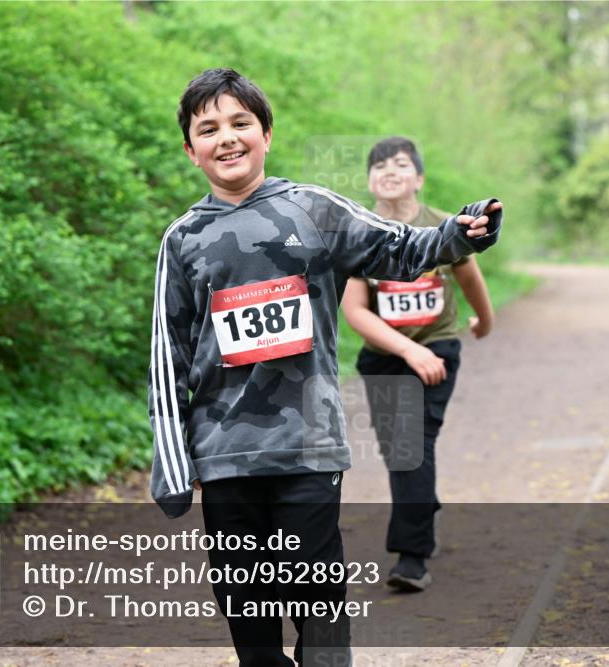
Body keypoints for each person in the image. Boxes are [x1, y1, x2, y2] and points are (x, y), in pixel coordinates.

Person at [148, 68, 502, 667]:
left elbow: (399, 246)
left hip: (307, 447)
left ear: (266, 134)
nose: (226, 138)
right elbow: (168, 354)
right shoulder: (183, 238)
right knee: (249, 613)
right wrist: (174, 461)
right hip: (225, 454)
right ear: (191, 150)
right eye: (208, 129)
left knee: (318, 604)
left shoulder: (314, 209)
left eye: (240, 123)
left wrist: (459, 234)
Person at [341, 137, 495, 592]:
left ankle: (412, 557)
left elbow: (470, 277)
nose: (390, 171)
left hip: (439, 347)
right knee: (401, 451)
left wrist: (484, 321)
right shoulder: (360, 235)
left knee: (413, 445)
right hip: (386, 357)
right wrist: (408, 350)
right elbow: (356, 311)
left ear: (419, 178)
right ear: (370, 181)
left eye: (401, 164)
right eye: (380, 166)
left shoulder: (443, 227)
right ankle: (422, 505)